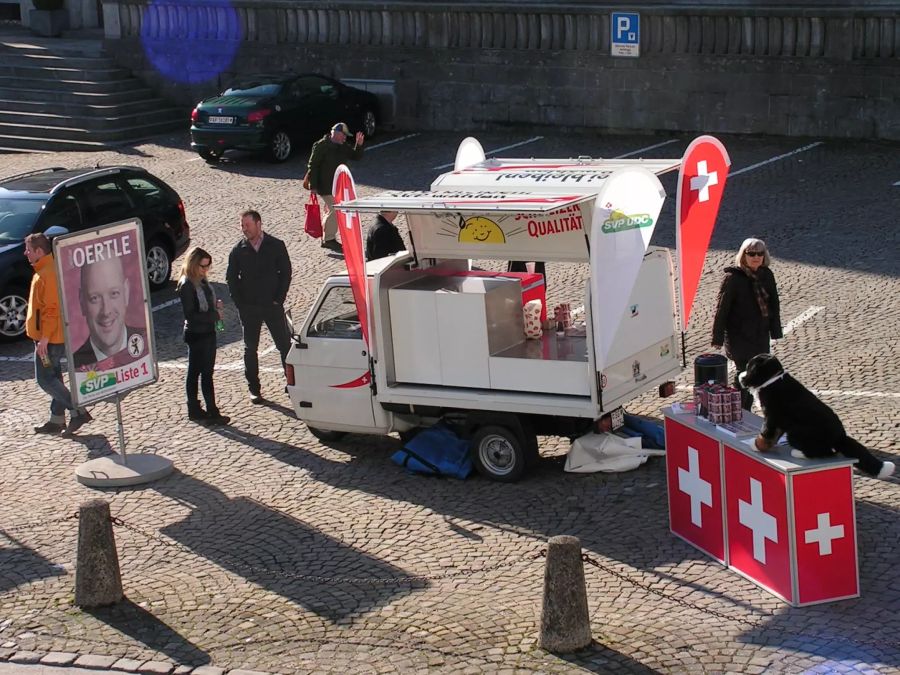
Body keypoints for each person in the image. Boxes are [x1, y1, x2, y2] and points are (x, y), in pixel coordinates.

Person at [24, 233, 92, 435]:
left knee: (45, 380)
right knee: (54, 377)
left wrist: (44, 337)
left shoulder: (48, 273)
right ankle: (56, 420)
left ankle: (78, 411)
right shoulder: (44, 269)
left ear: (39, 251)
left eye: (28, 249)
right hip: (47, 336)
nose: (25, 252)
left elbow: (53, 309)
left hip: (50, 339)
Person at [226, 210, 292, 404]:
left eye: (247, 225)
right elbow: (231, 279)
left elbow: (286, 273)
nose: (244, 229)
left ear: (258, 223)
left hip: (272, 306)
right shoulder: (238, 250)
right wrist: (240, 304)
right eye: (242, 225)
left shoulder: (275, 245)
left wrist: (278, 299)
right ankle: (254, 389)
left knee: (284, 346)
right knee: (250, 349)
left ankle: (291, 383)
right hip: (250, 308)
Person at [711, 237, 782, 410]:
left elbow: (773, 303)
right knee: (743, 373)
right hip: (739, 336)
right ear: (744, 255)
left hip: (760, 334)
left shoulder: (766, 275)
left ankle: (746, 409)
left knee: (756, 373)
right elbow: (722, 309)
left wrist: (775, 330)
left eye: (760, 253)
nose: (756, 257)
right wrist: (717, 337)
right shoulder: (733, 278)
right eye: (751, 254)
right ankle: (739, 409)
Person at [177, 247, 230, 425]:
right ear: (193, 264)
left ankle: (201, 409)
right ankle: (207, 410)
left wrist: (214, 306)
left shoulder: (202, 280)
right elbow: (190, 314)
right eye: (202, 266)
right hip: (197, 334)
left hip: (207, 332)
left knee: (203, 372)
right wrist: (214, 316)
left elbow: (204, 304)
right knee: (199, 373)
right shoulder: (187, 284)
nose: (205, 270)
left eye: (208, 266)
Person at [72, 254, 147, 370]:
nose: (106, 311)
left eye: (114, 294)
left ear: (126, 293)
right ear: (82, 302)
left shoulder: (146, 343)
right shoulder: (77, 364)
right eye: (95, 298)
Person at [306, 122, 365, 253]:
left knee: (332, 209)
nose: (345, 138)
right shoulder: (321, 146)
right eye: (344, 135)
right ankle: (329, 239)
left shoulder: (342, 146)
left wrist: (359, 145)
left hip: (338, 186)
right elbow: (313, 166)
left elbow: (356, 156)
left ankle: (327, 236)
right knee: (335, 209)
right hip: (325, 186)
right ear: (337, 133)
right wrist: (313, 186)